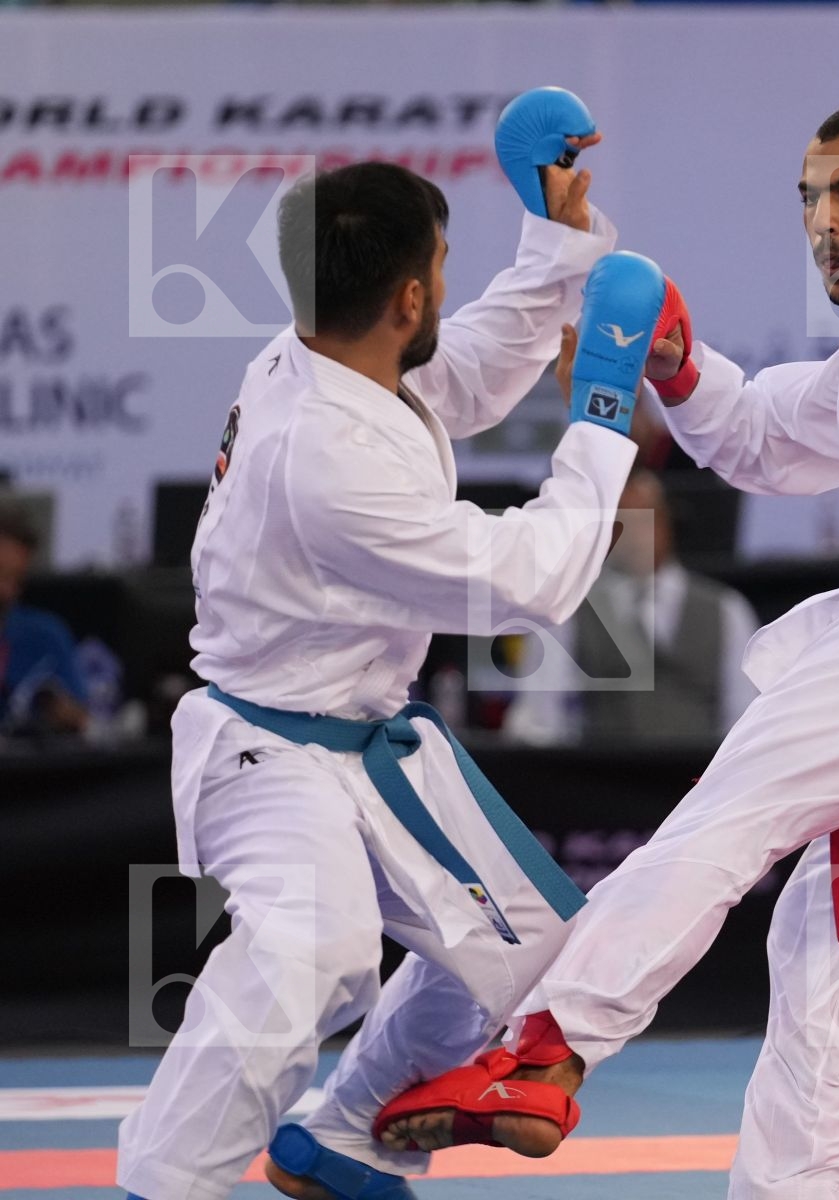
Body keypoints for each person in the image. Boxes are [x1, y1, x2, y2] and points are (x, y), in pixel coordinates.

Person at [376, 97, 839, 1198]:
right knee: (825, 964)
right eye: (811, 197)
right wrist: (677, 361)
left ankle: (547, 1051)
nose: (824, 219)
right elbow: (773, 442)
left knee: (725, 822)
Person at [114, 138, 661, 1198]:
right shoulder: (324, 457)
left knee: (535, 955)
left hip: (363, 739)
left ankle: (346, 1131)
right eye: (444, 265)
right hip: (268, 750)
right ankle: (160, 1186)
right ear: (409, 294)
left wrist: (553, 245)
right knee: (310, 953)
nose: (447, 290)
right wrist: (601, 410)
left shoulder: (327, 354)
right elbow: (528, 581)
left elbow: (459, 371)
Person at [502, 464, 760, 746]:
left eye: (644, 521)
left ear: (666, 523)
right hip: (605, 777)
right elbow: (540, 718)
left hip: (698, 777)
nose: (634, 536)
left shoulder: (726, 610)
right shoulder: (569, 608)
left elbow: (747, 717)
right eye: (621, 522)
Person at [0, 502, 88, 737]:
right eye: (1, 575)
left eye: (17, 580)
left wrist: (62, 713)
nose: (7, 592)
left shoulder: (46, 634)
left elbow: (83, 718)